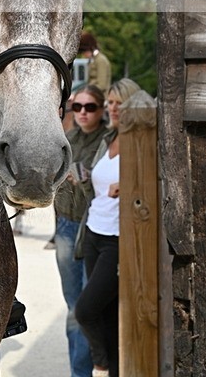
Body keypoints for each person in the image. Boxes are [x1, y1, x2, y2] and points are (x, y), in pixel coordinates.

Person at [74, 78, 141, 377]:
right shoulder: (108, 139)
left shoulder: (141, 142)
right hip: (93, 233)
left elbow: (154, 183)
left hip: (117, 239)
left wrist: (129, 185)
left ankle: (100, 366)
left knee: (85, 310)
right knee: (105, 314)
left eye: (119, 103)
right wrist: (85, 179)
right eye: (111, 103)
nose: (113, 108)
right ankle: (113, 369)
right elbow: (99, 191)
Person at [54, 84, 107, 377]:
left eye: (90, 107)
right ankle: (79, 373)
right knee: (74, 309)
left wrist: (84, 181)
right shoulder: (66, 141)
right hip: (65, 226)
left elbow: (107, 196)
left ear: (101, 110)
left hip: (93, 231)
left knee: (88, 309)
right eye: (78, 107)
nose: (83, 113)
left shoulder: (109, 142)